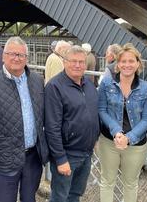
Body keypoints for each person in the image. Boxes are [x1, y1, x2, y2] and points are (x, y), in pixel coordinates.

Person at [0, 37, 48, 202]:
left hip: (32, 158)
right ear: (3, 56)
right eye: (11, 54)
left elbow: (43, 117)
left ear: (26, 58)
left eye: (20, 55)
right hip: (4, 159)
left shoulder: (37, 81)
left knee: (29, 199)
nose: (16, 58)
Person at [98, 43, 147, 202]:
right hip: (109, 141)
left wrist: (129, 137)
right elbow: (101, 109)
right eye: (123, 61)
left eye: (131, 61)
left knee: (130, 183)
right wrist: (116, 130)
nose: (127, 65)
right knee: (107, 181)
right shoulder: (107, 84)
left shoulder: (146, 89)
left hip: (136, 145)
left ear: (138, 63)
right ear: (117, 64)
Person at [45, 45, 100, 202]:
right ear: (64, 62)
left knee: (75, 195)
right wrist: (60, 159)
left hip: (86, 153)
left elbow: (93, 113)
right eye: (73, 61)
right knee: (60, 197)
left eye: (81, 62)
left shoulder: (89, 85)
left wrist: (94, 136)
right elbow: (52, 127)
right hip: (67, 154)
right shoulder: (54, 87)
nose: (78, 65)